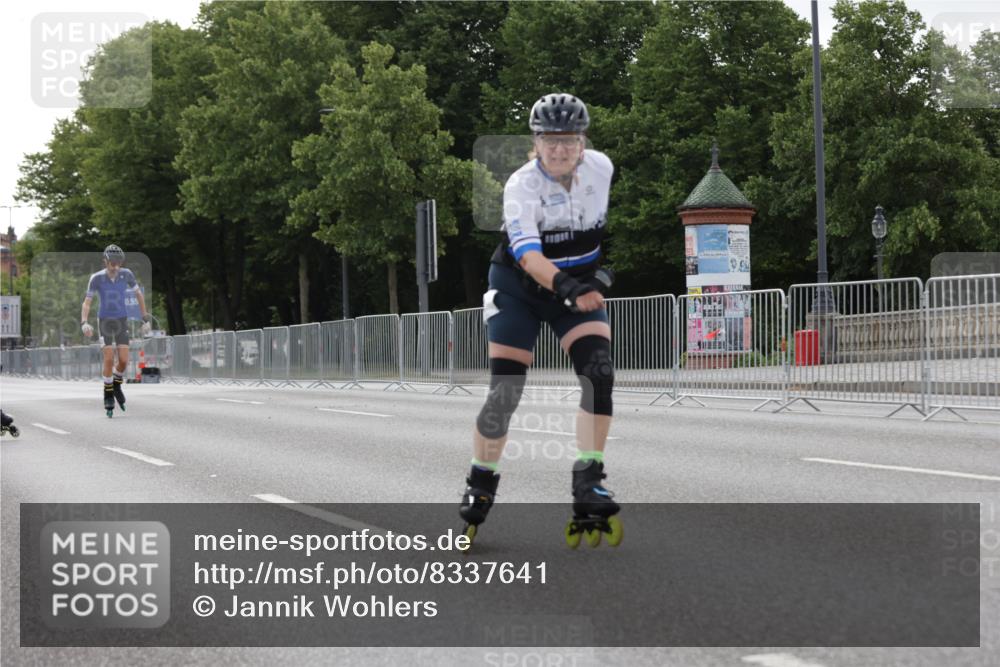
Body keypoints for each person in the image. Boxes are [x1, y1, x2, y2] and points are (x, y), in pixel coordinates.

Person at [459, 93, 621, 547]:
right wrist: (568, 287)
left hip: (575, 285)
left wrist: (598, 276)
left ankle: (588, 479)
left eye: (568, 140)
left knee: (598, 372)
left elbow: (599, 231)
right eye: (550, 141)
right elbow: (528, 255)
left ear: (582, 140)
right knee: (506, 390)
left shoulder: (602, 169)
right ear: (536, 141)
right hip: (520, 289)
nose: (559, 150)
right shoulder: (521, 186)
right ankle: (481, 480)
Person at [80, 244, 152, 417]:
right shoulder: (96, 278)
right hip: (104, 320)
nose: (115, 267)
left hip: (121, 319)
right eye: (112, 263)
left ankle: (117, 383)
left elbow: (139, 296)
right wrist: (84, 322)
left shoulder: (127, 274)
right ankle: (108, 393)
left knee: (124, 360)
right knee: (109, 357)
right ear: (105, 262)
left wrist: (145, 318)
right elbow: (87, 301)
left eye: (118, 263)